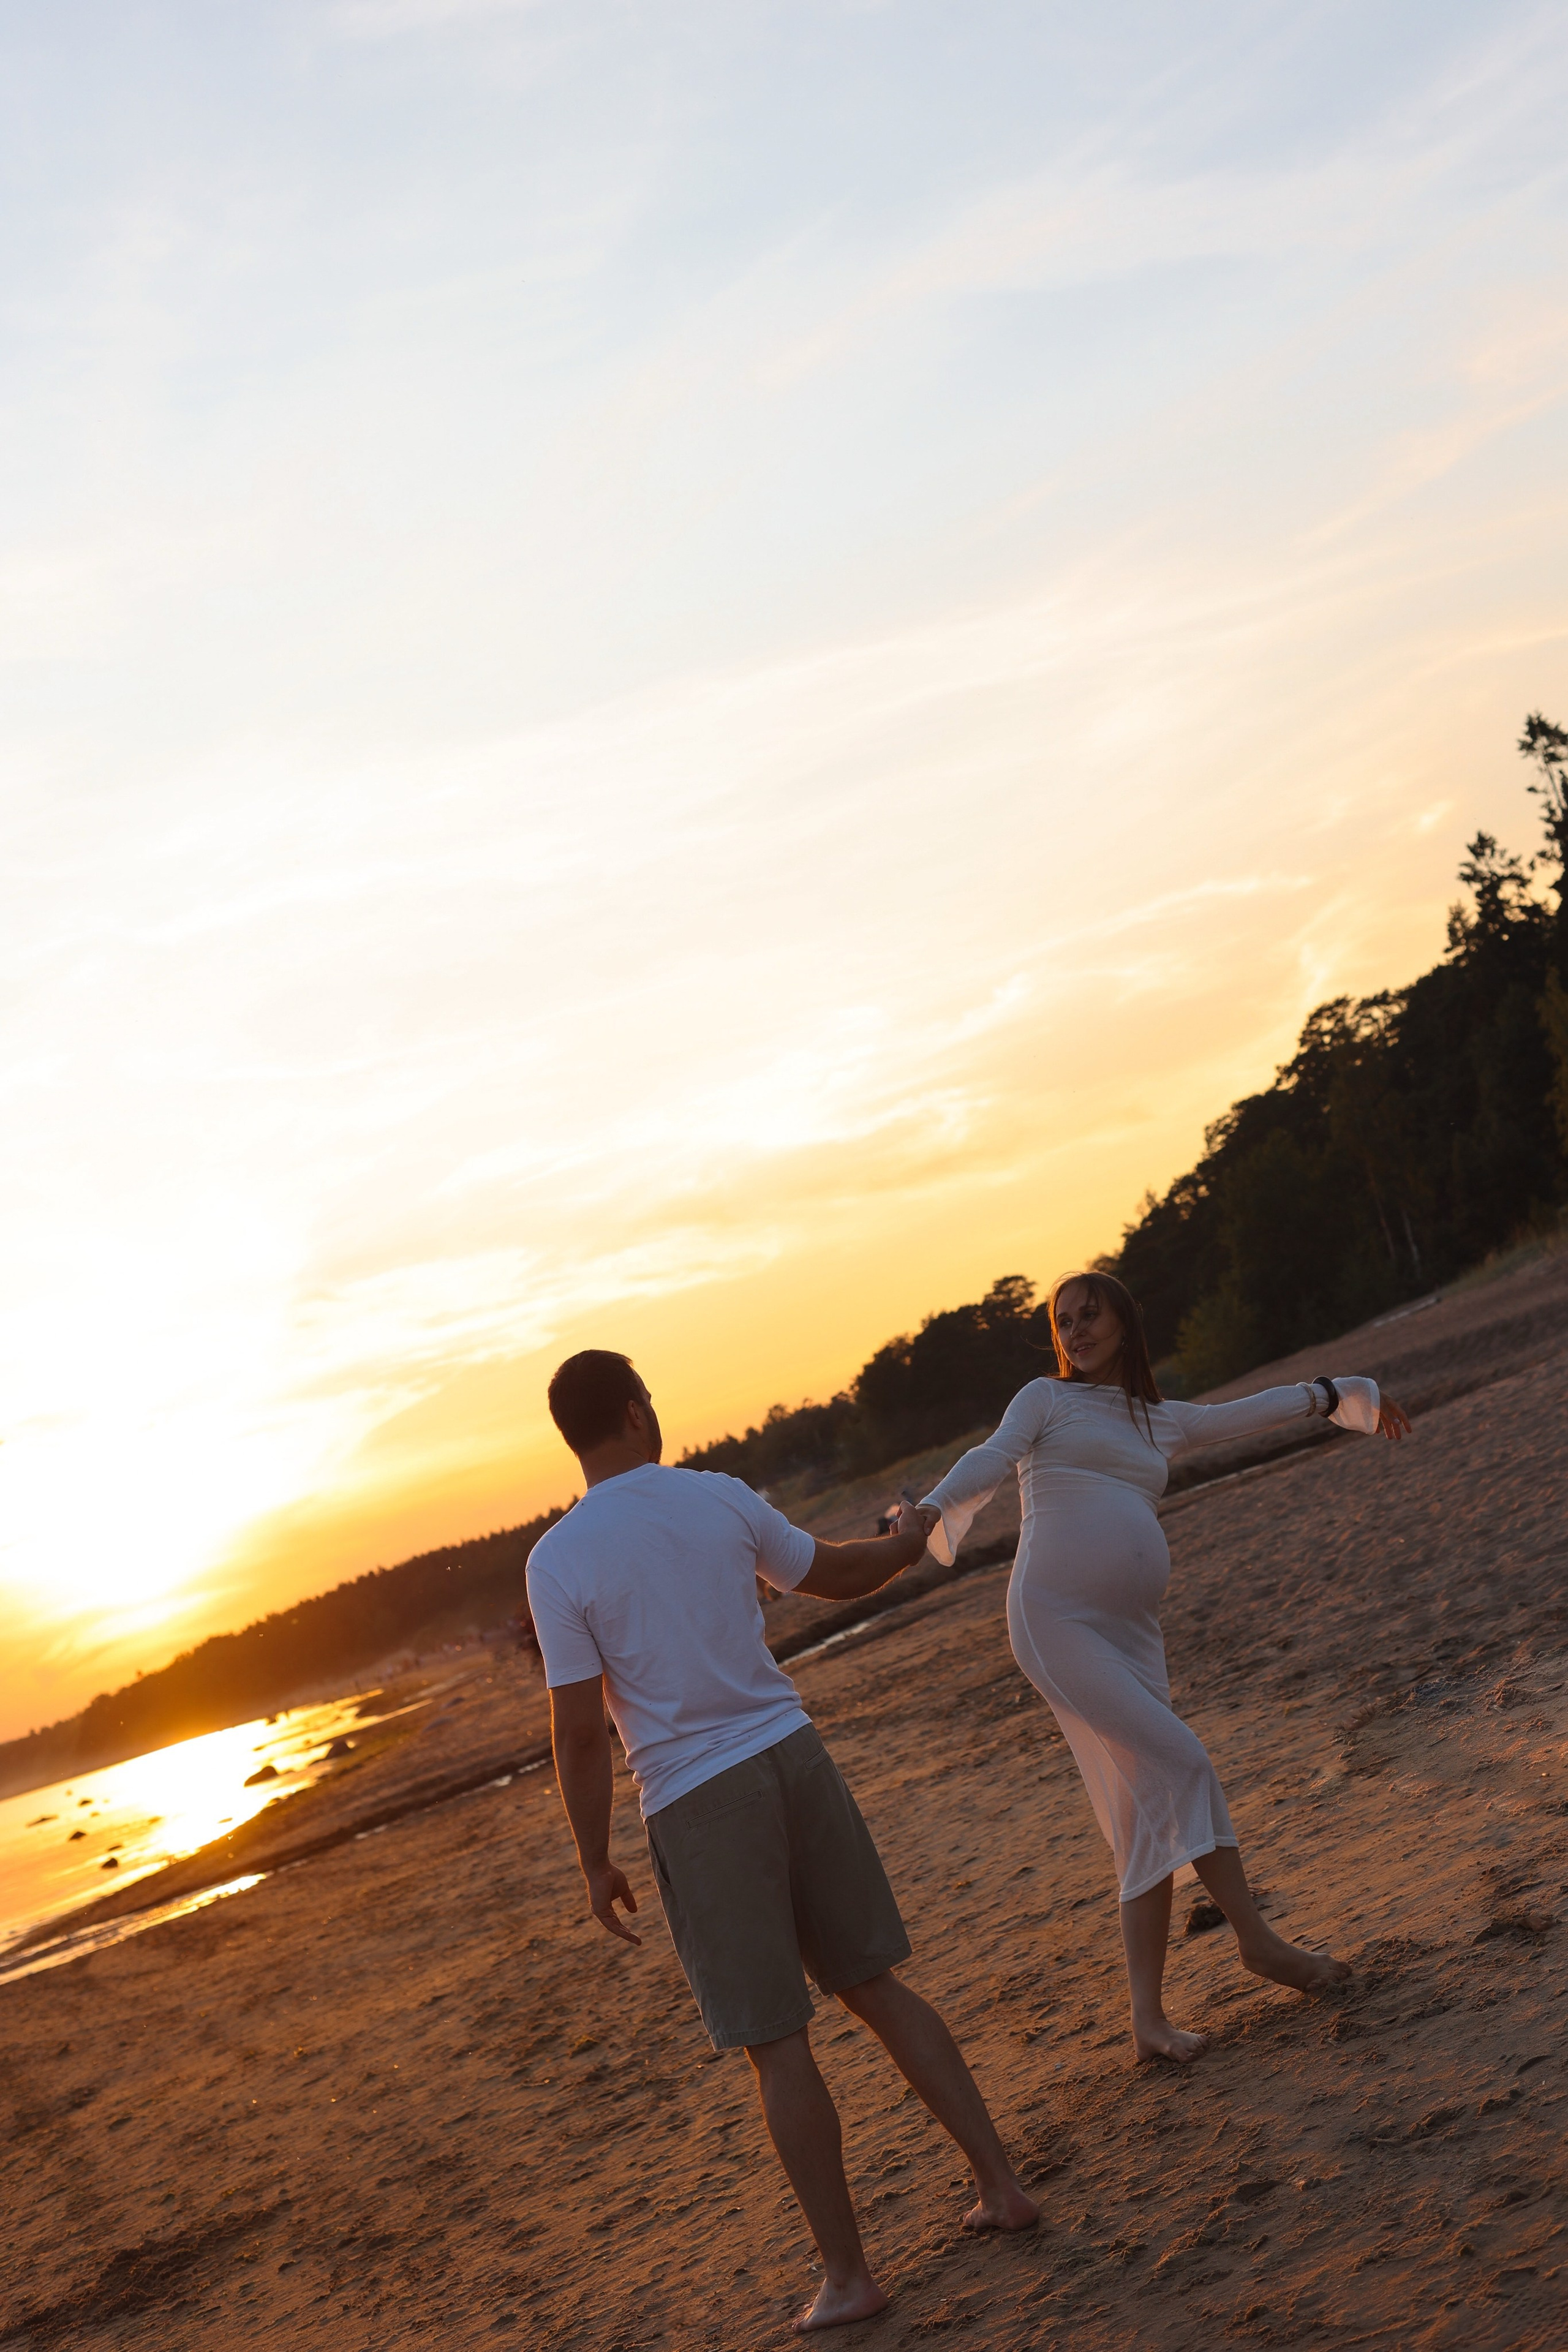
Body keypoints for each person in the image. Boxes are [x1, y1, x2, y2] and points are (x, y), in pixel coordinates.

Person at [526, 1349, 1038, 2335]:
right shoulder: (715, 1497)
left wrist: (594, 1859)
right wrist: (904, 1542)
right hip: (792, 1756)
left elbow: (581, 1728)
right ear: (637, 1413)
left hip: (696, 1799)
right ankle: (1003, 2186)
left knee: (778, 2045)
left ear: (574, 1435)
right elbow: (834, 1574)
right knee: (877, 1987)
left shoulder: (559, 1561)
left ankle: (849, 2278)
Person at [916, 1272, 1412, 2065]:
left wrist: (1342, 1393)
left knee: (1147, 1814)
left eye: (1089, 1315)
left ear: (1124, 1321)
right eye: (1063, 1321)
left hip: (1132, 1634)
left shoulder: (1160, 1421)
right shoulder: (1045, 1399)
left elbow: (1252, 1413)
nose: (1075, 1330)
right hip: (1055, 1620)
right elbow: (991, 1455)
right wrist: (931, 1511)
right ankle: (1259, 1942)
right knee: (1183, 1758)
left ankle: (1147, 2022)